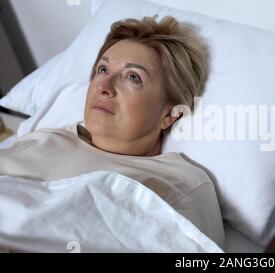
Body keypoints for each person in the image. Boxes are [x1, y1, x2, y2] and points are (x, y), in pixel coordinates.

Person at [0, 16, 225, 249]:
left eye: (133, 77)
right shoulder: (44, 138)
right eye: (103, 69)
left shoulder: (180, 181)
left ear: (171, 114)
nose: (103, 86)